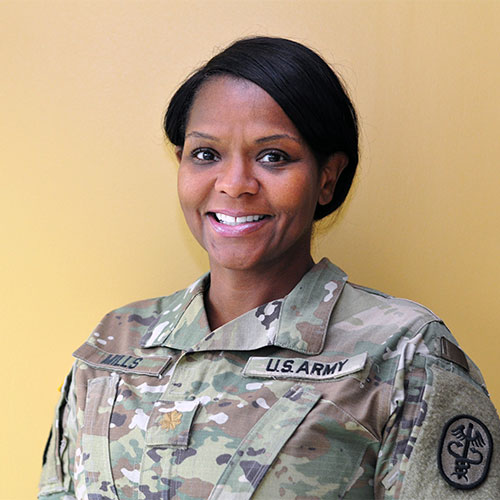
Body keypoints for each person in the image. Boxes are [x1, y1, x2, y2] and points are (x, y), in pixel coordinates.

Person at [39, 37, 499, 500]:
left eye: (273, 156)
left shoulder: (403, 355)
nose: (234, 184)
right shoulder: (114, 344)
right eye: (206, 154)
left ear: (327, 178)